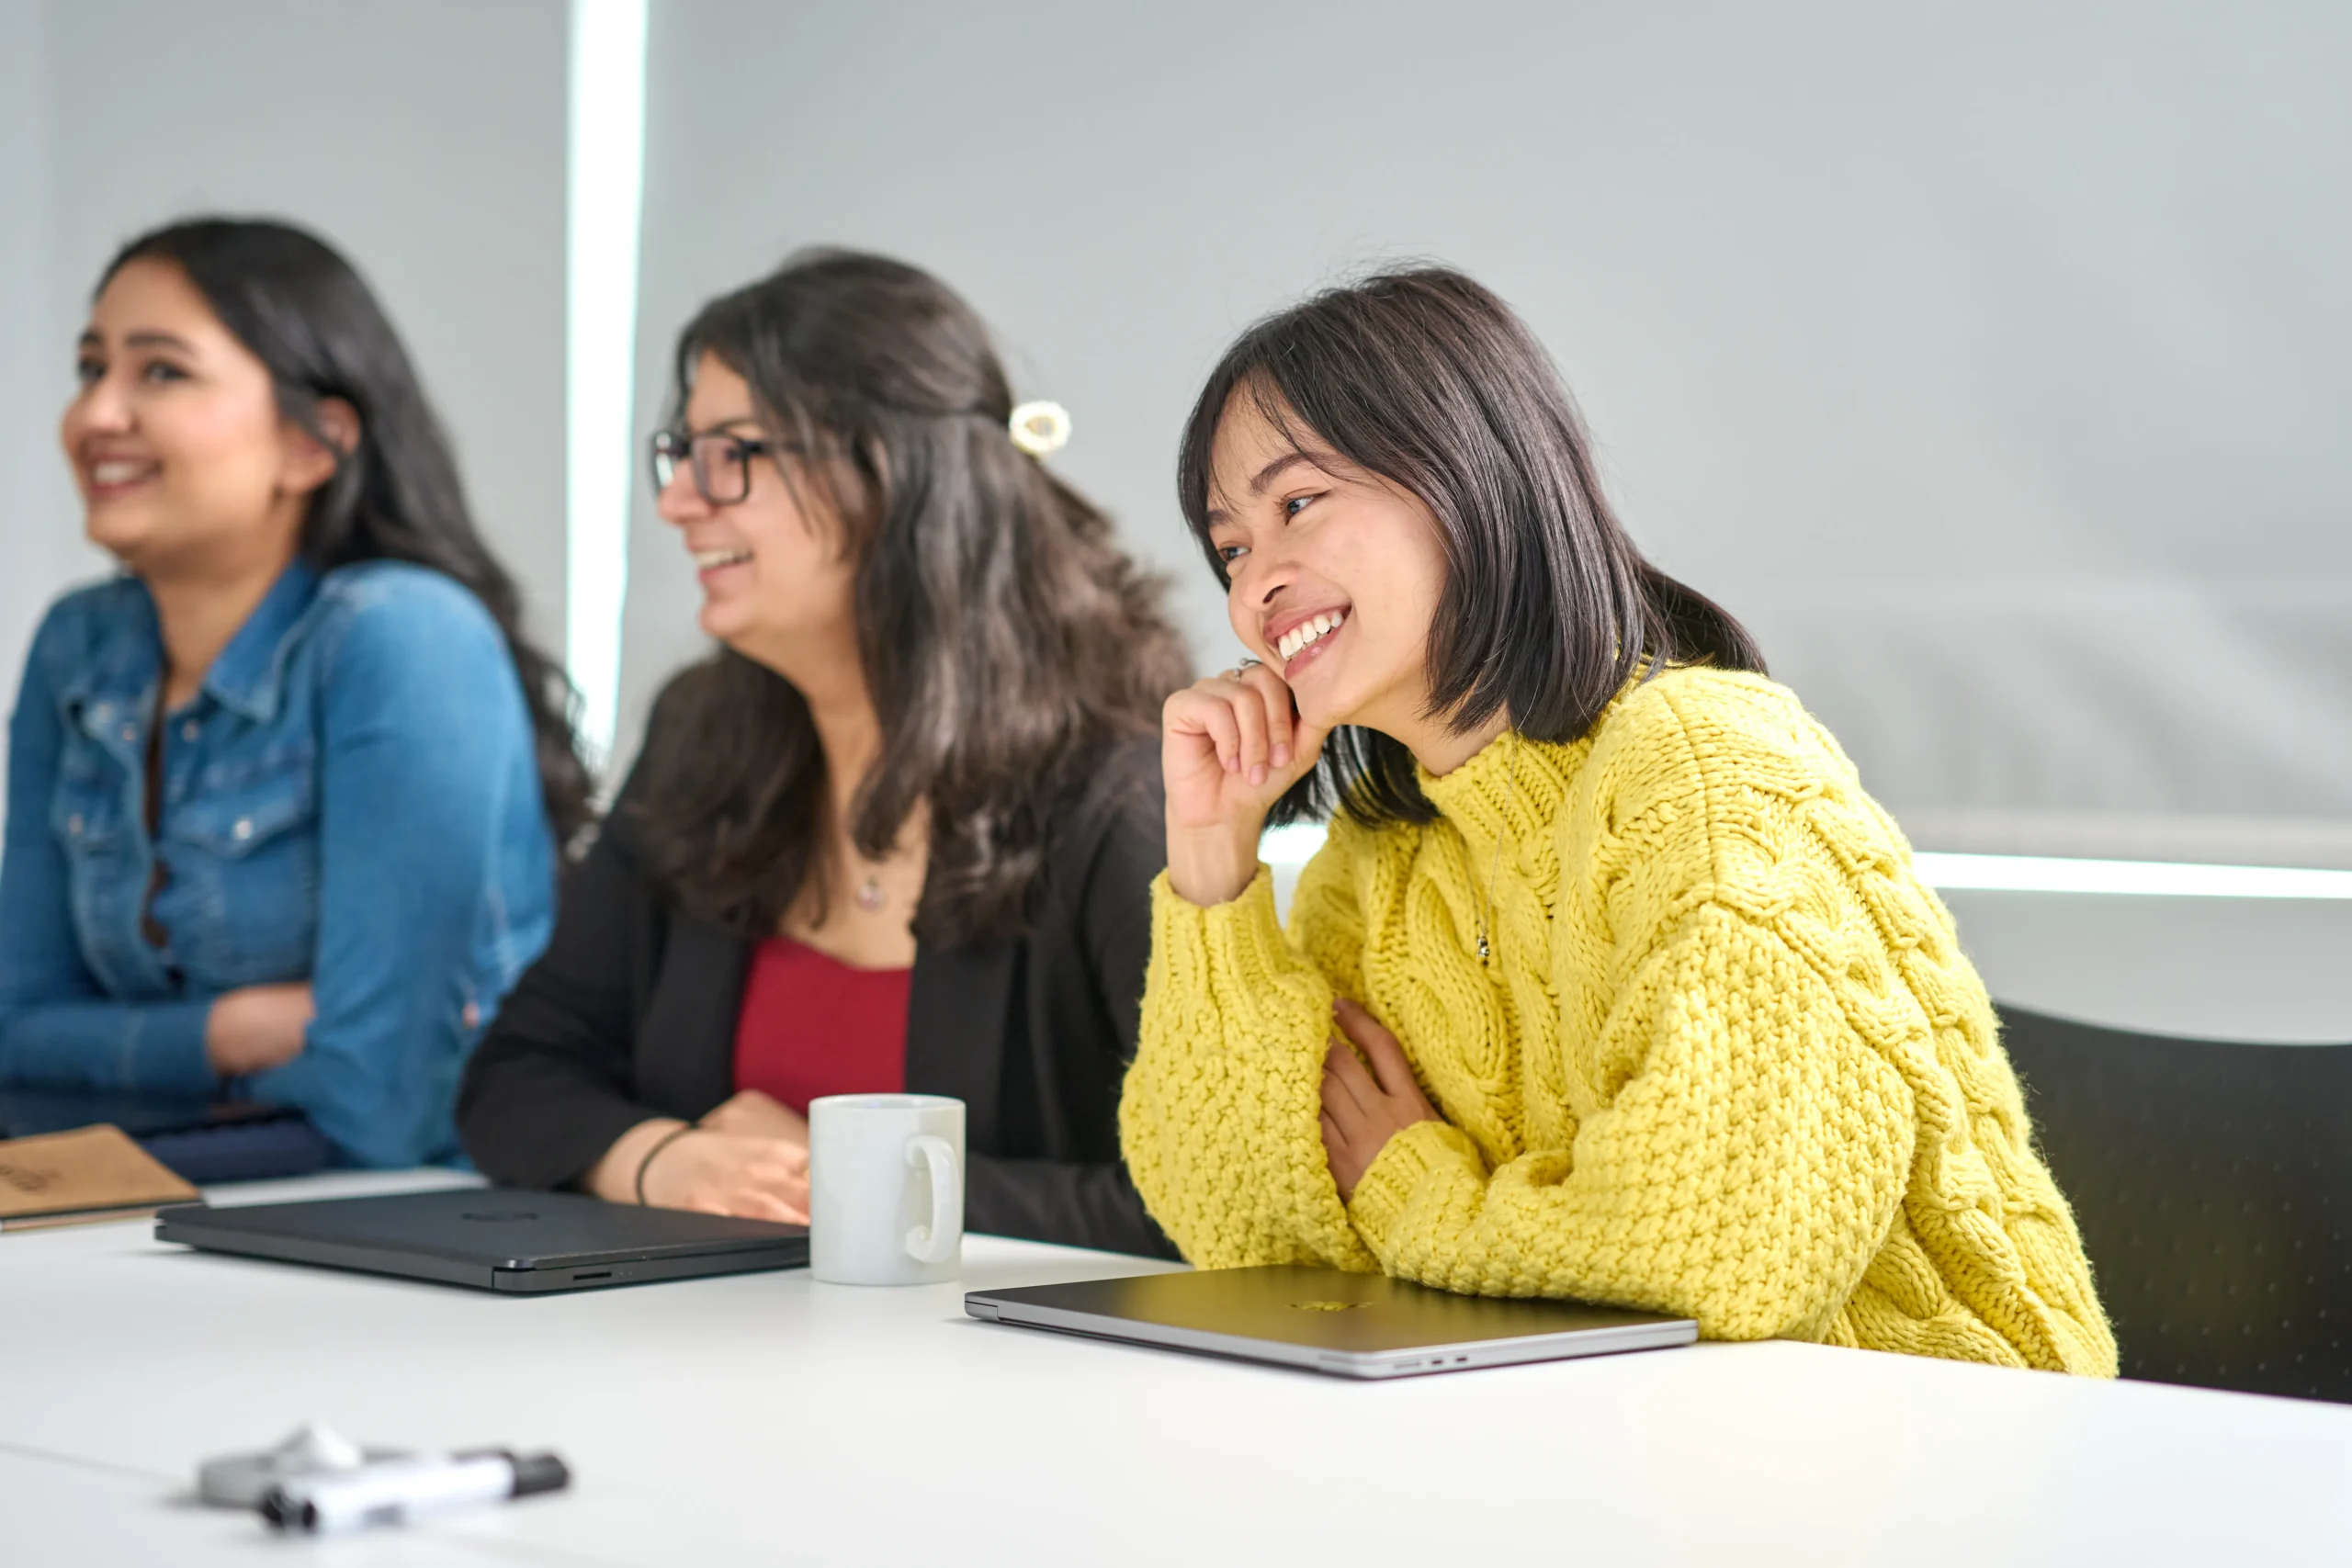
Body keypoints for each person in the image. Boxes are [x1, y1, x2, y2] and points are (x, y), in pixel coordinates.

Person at [1119, 266, 2118, 1371]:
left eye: (1297, 503)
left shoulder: (1700, 763)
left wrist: (1409, 1192)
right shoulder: (1387, 851)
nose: (1256, 583)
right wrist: (1211, 861)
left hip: (1946, 1449)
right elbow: (1249, 1241)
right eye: (1230, 547)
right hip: (1616, 1439)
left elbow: (1719, 1253)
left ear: (1465, 471)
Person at [458, 250, 1188, 1256]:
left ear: (889, 475)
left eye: (734, 454)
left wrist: (857, 1182)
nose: (678, 502)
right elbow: (517, 1072)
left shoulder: (1118, 793)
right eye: (682, 452)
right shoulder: (699, 737)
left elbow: (1204, 1204)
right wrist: (659, 1160)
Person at [0, 218, 585, 1167]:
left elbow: (381, 1102)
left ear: (314, 445)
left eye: (160, 372)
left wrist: (116, 1068)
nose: (96, 414)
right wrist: (235, 1033)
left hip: (407, 1238)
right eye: (89, 367)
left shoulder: (398, 636)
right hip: (145, 1222)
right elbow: (16, 1030)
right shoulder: (79, 646)